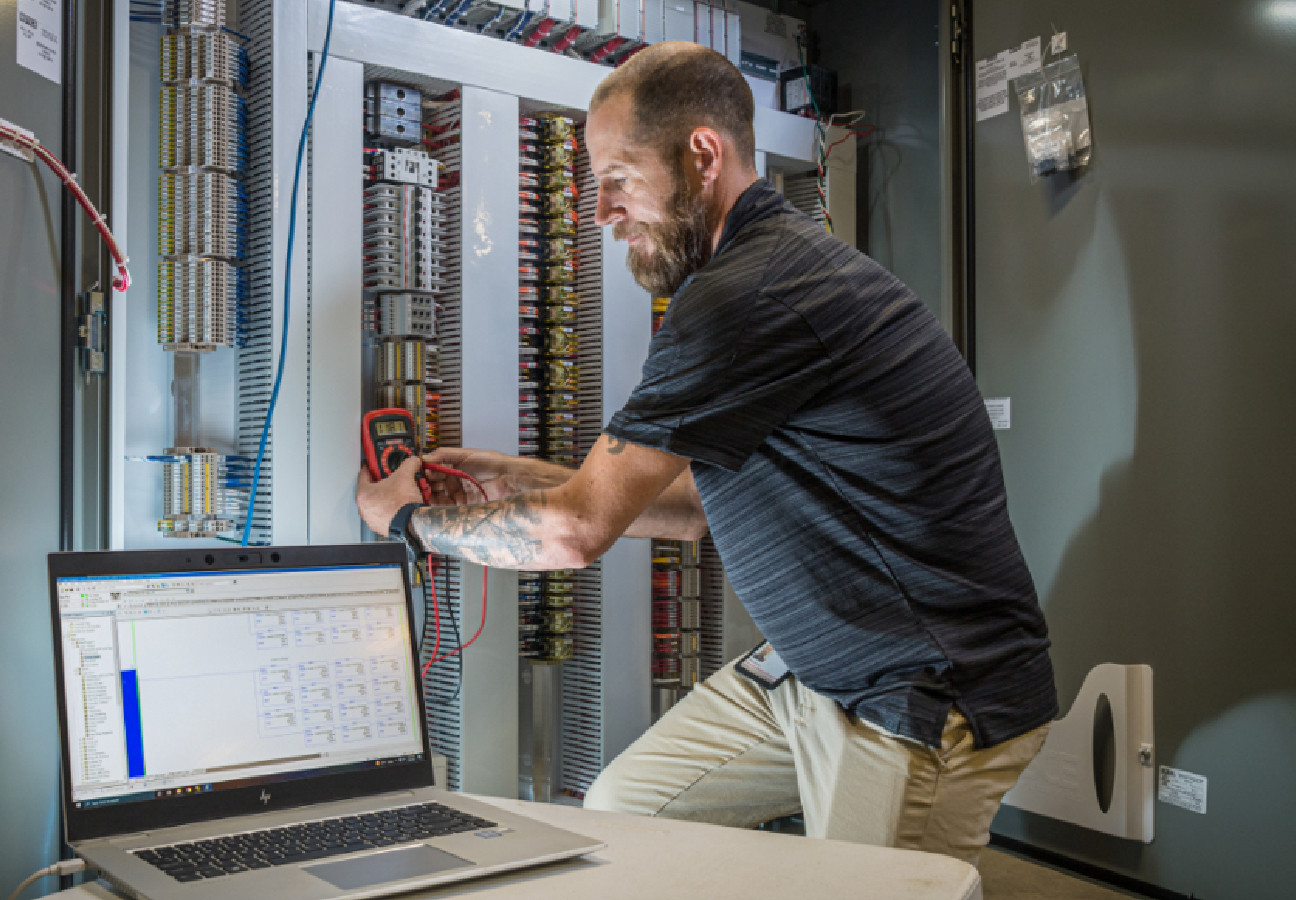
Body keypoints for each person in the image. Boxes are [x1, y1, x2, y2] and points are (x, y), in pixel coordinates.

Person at [355, 41, 1055, 865]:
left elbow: (574, 535)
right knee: (626, 813)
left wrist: (404, 520)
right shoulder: (763, 271)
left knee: (872, 891)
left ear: (701, 154)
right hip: (811, 667)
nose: (599, 212)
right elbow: (689, 508)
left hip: (916, 691)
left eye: (618, 179)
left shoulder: (745, 296)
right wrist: (518, 481)